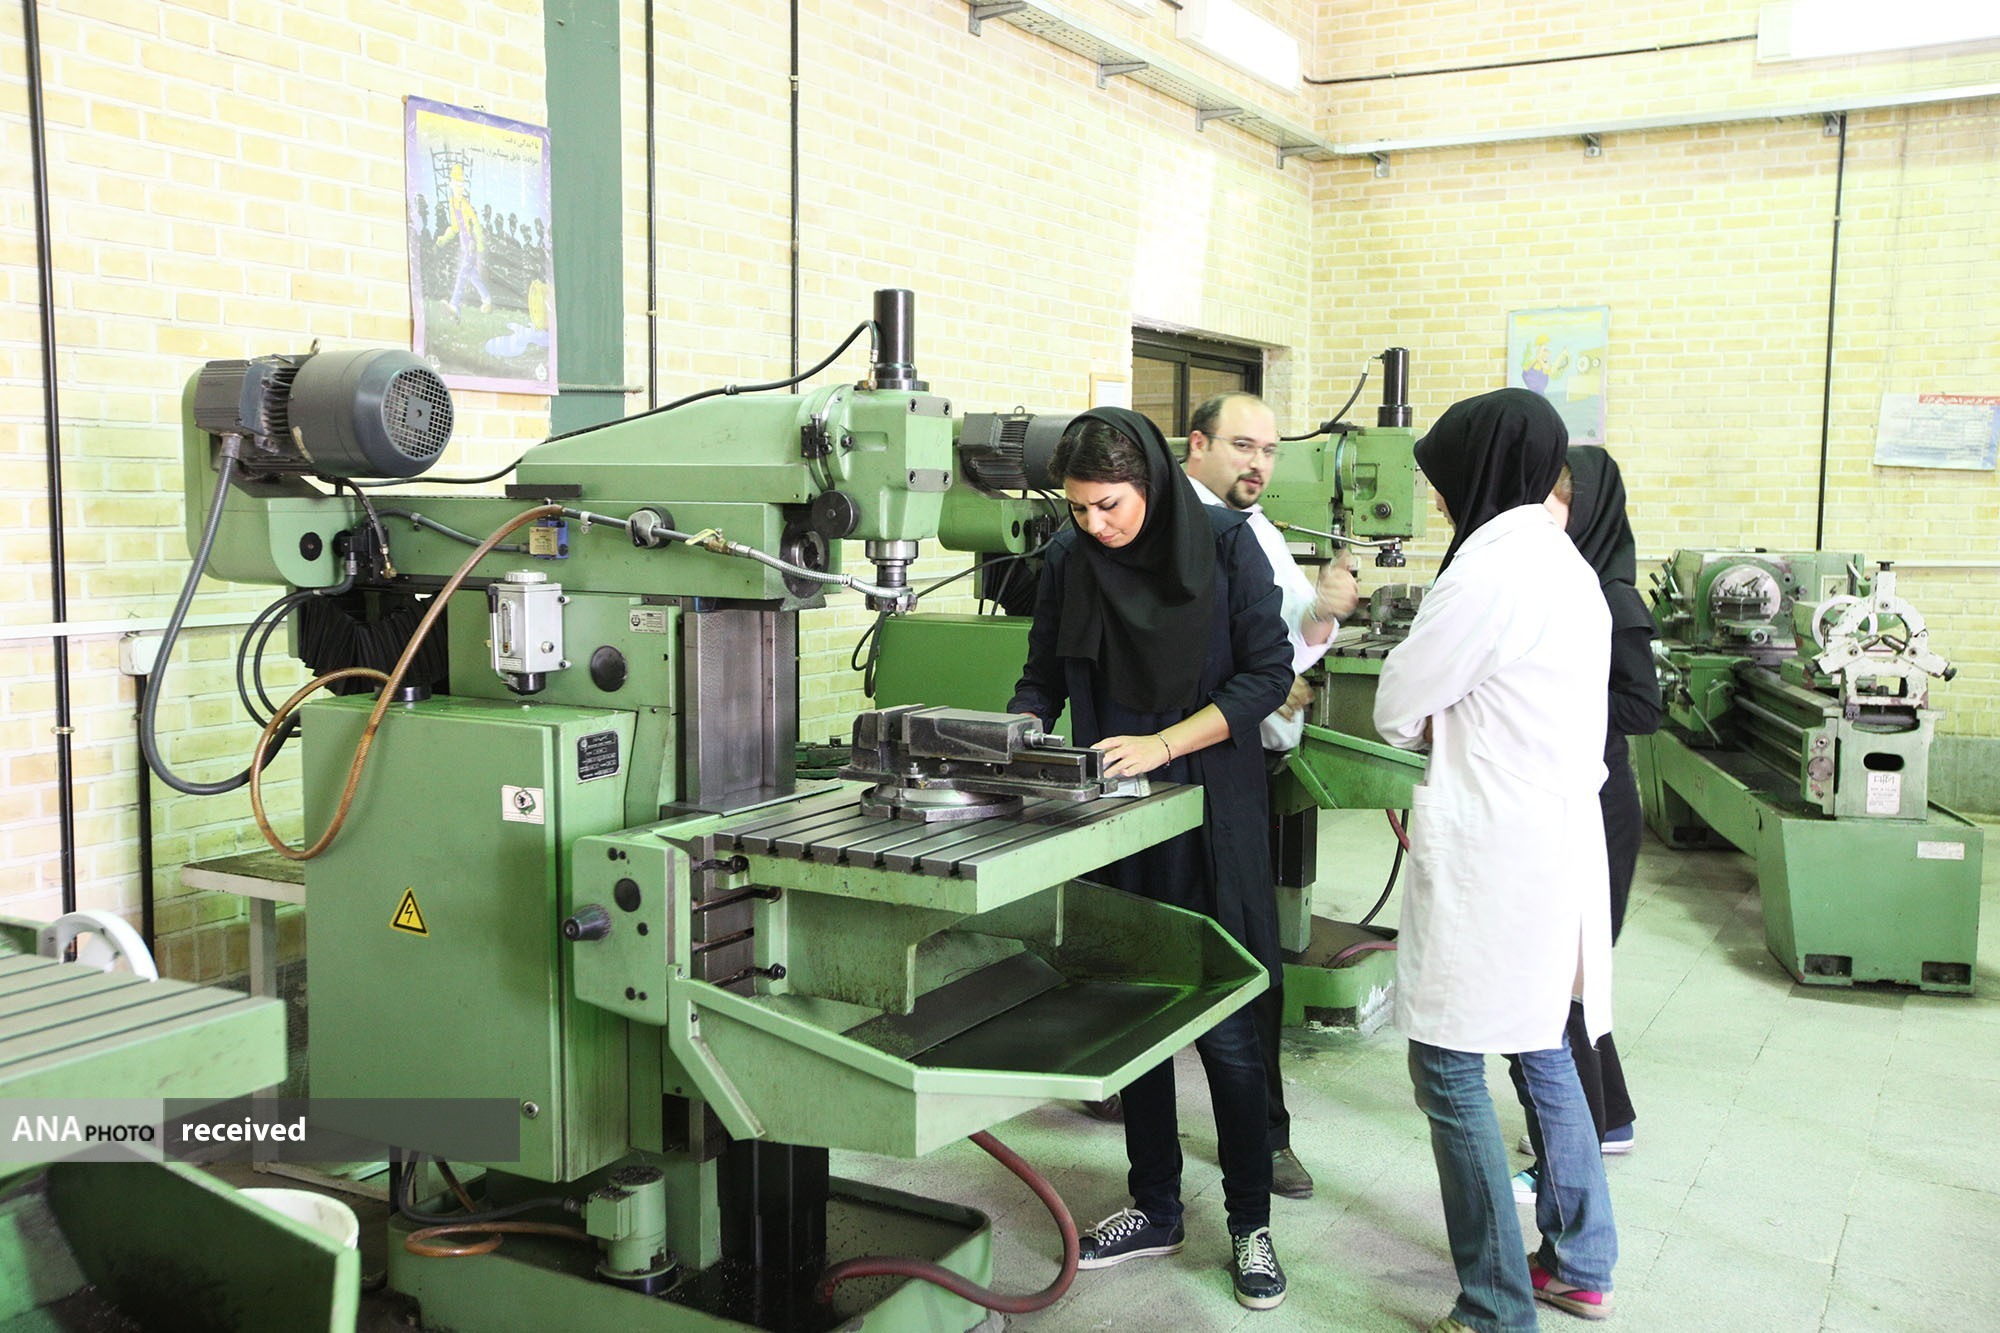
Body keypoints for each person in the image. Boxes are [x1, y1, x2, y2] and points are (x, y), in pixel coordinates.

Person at [1009, 407, 1295, 1310]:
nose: (1094, 524)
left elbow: (1268, 676)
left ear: (1153, 483)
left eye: (1110, 505)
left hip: (1211, 816)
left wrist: (1164, 745)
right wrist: (1015, 731)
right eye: (1079, 507)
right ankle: (1157, 1205)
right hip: (1117, 818)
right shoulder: (1069, 557)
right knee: (1135, 1020)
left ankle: (1249, 1222)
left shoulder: (1226, 546)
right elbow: (1042, 676)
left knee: (1228, 1031)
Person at [1373, 389, 1619, 1331]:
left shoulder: (1487, 571)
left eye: (1441, 478)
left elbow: (1398, 703)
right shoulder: (1563, 560)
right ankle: (1582, 1263)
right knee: (1541, 1038)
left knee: (1446, 1060)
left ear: (1478, 470)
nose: (1436, 497)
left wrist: (1436, 716)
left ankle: (1492, 1307)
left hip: (1495, 849)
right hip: (1552, 845)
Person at [1182, 390, 1360, 1200]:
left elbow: (1286, 633)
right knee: (1147, 942)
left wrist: (1320, 616)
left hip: (1234, 768)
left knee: (1252, 954)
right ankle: (1130, 1104)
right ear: (1198, 444)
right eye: (1243, 446)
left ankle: (1263, 1135)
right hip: (1162, 761)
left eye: (1269, 450)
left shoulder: (1256, 529)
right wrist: (1263, 680)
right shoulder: (1163, 525)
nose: (1258, 463)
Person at [1510, 446, 1662, 1198]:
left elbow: (1643, 707)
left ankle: (1567, 1163)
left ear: (1589, 507)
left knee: (1561, 985)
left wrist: (1545, 693)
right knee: (1574, 983)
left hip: (1598, 807)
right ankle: (1612, 1118)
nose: (1542, 511)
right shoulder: (1562, 580)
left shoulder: (1612, 596)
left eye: (1555, 497)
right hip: (1567, 793)